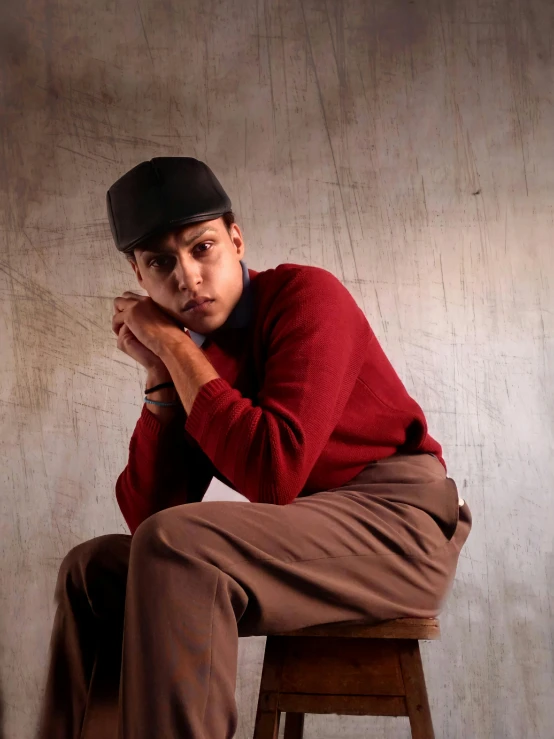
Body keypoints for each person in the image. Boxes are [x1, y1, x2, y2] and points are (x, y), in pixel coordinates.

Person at [37, 157, 471, 739]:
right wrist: (162, 376)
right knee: (95, 572)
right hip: (311, 530)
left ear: (237, 241)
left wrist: (173, 345)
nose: (188, 277)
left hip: (400, 529)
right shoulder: (196, 358)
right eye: (161, 263)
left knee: (180, 545)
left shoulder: (306, 296)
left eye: (203, 248)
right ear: (139, 278)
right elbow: (149, 522)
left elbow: (274, 473)